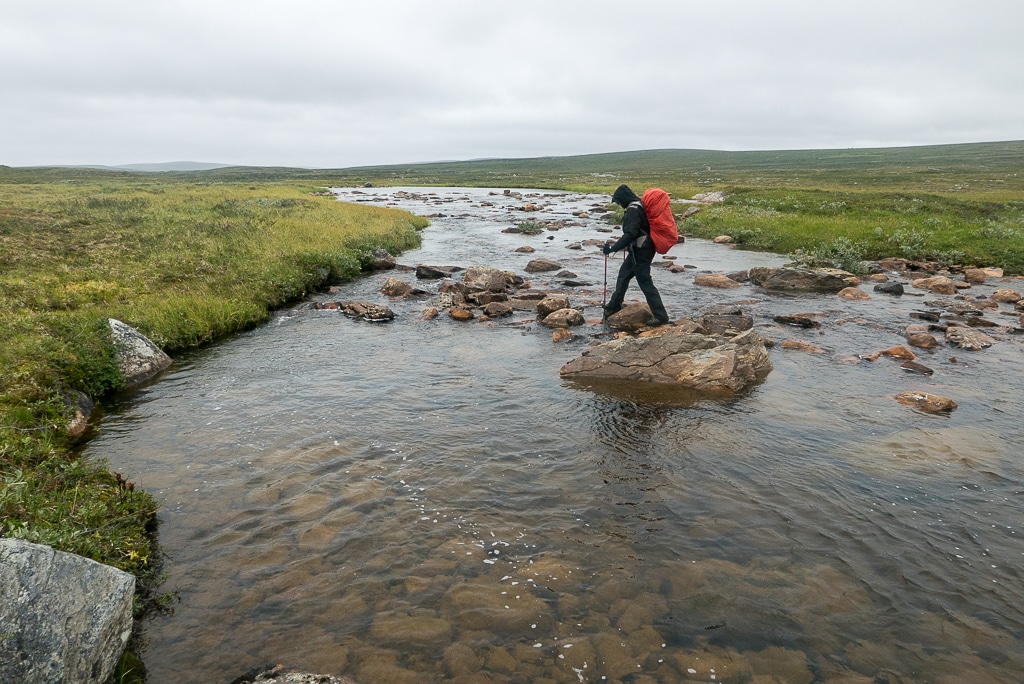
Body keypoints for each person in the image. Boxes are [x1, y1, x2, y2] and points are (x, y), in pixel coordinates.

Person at [602, 184, 669, 325]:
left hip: (642, 250)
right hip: (640, 248)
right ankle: (613, 306)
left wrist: (612, 249)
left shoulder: (633, 209)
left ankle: (661, 317)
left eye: (619, 202)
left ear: (623, 199)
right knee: (624, 275)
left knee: (645, 282)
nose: (620, 205)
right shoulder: (638, 206)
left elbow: (630, 234)